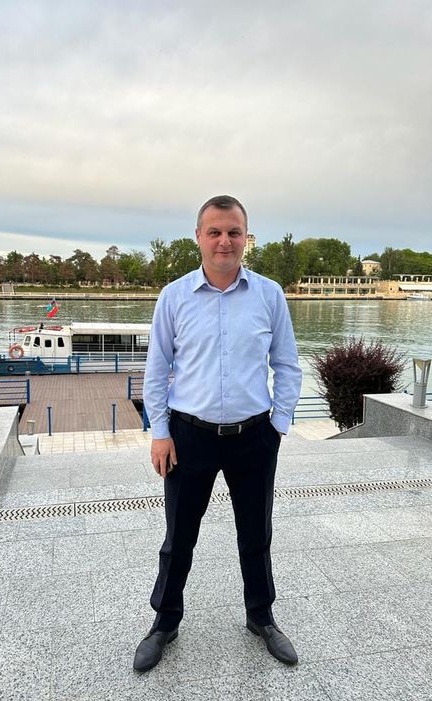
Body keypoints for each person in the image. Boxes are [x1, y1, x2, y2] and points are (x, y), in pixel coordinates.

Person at [133, 195, 302, 674]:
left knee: (256, 533)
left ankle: (261, 616)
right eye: (215, 232)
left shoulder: (269, 295)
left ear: (246, 238)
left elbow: (287, 364)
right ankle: (164, 622)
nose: (224, 241)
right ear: (199, 237)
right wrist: (160, 433)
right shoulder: (174, 297)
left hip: (255, 436)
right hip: (190, 436)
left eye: (233, 232)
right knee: (178, 536)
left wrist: (279, 425)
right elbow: (156, 370)